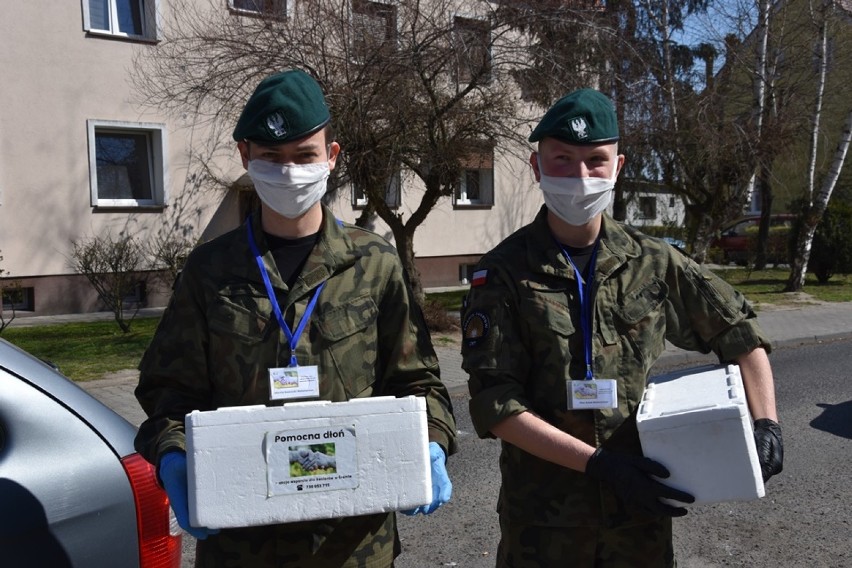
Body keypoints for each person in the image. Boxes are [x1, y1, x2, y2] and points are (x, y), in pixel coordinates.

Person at [134, 69, 457, 568]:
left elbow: (419, 383)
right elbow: (169, 391)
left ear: (331, 156)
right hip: (242, 542)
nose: (288, 172)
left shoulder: (374, 263)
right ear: (246, 157)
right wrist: (174, 457)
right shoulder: (211, 270)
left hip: (352, 545)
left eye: (304, 156)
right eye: (271, 158)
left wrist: (430, 442)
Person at [460, 88, 783, 567]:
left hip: (640, 516)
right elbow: (496, 406)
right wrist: (599, 465)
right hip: (546, 524)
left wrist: (767, 424)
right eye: (563, 160)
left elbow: (740, 334)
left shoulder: (653, 262)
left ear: (619, 167)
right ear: (536, 167)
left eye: (595, 160)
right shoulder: (502, 272)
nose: (580, 175)